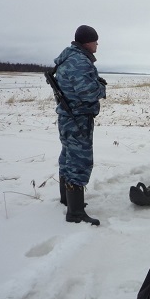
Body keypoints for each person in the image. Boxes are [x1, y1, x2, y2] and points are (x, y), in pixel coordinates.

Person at [54, 25, 106, 225]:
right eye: (95, 41)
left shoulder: (68, 58)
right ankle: (75, 213)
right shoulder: (79, 61)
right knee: (79, 162)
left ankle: (67, 200)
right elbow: (87, 93)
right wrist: (100, 88)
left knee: (68, 156)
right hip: (78, 119)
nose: (97, 44)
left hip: (69, 117)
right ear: (87, 42)